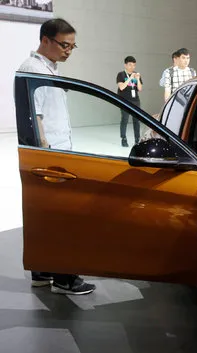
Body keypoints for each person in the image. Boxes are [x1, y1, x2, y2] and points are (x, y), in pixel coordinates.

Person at [17, 18, 96, 295]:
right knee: (63, 218)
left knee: (47, 217)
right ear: (46, 40)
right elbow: (34, 115)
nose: (68, 51)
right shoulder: (32, 69)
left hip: (53, 154)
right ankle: (65, 279)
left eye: (73, 47)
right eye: (65, 45)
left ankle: (43, 272)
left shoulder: (50, 69)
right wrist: (47, 152)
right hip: (51, 157)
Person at [116, 56, 143, 147]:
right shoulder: (121, 74)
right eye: (130, 65)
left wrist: (138, 79)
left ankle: (137, 140)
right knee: (125, 119)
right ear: (125, 65)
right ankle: (123, 139)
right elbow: (121, 87)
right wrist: (130, 78)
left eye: (134, 65)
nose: (132, 67)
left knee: (136, 120)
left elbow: (139, 89)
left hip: (135, 100)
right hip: (124, 100)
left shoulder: (136, 74)